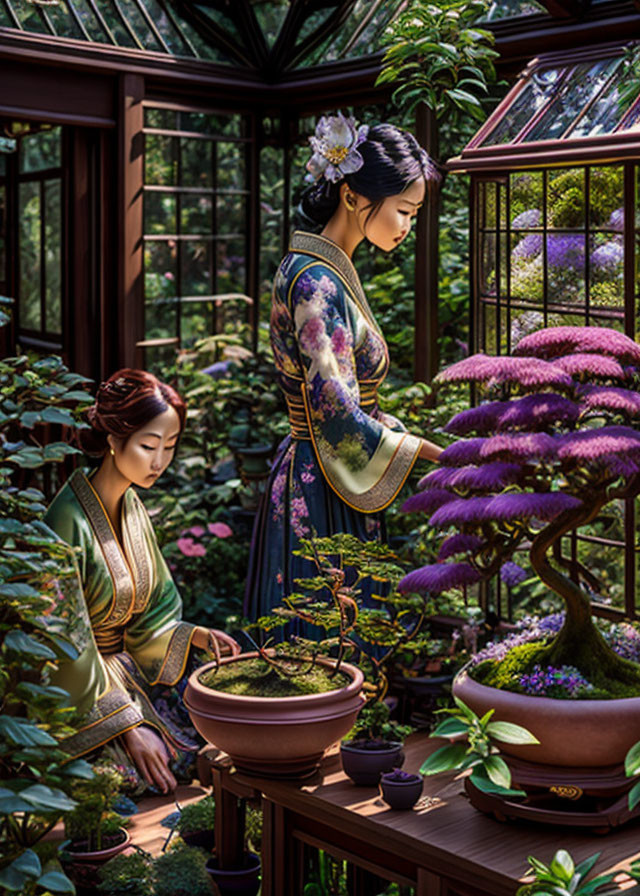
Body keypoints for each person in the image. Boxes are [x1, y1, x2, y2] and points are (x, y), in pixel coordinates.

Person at [245, 115, 442, 623]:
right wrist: (435, 453)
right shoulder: (317, 282)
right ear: (353, 196)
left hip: (329, 471)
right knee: (327, 642)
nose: (407, 226)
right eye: (403, 210)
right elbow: (335, 411)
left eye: (414, 213)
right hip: (324, 479)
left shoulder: (323, 270)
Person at [45, 369, 240, 793]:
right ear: (114, 440)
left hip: (128, 670)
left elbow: (153, 615)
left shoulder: (131, 506)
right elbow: (65, 644)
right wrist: (128, 726)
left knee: (220, 726)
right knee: (126, 780)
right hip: (83, 688)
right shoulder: (66, 520)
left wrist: (196, 636)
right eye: (149, 446)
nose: (159, 462)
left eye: (169, 447)